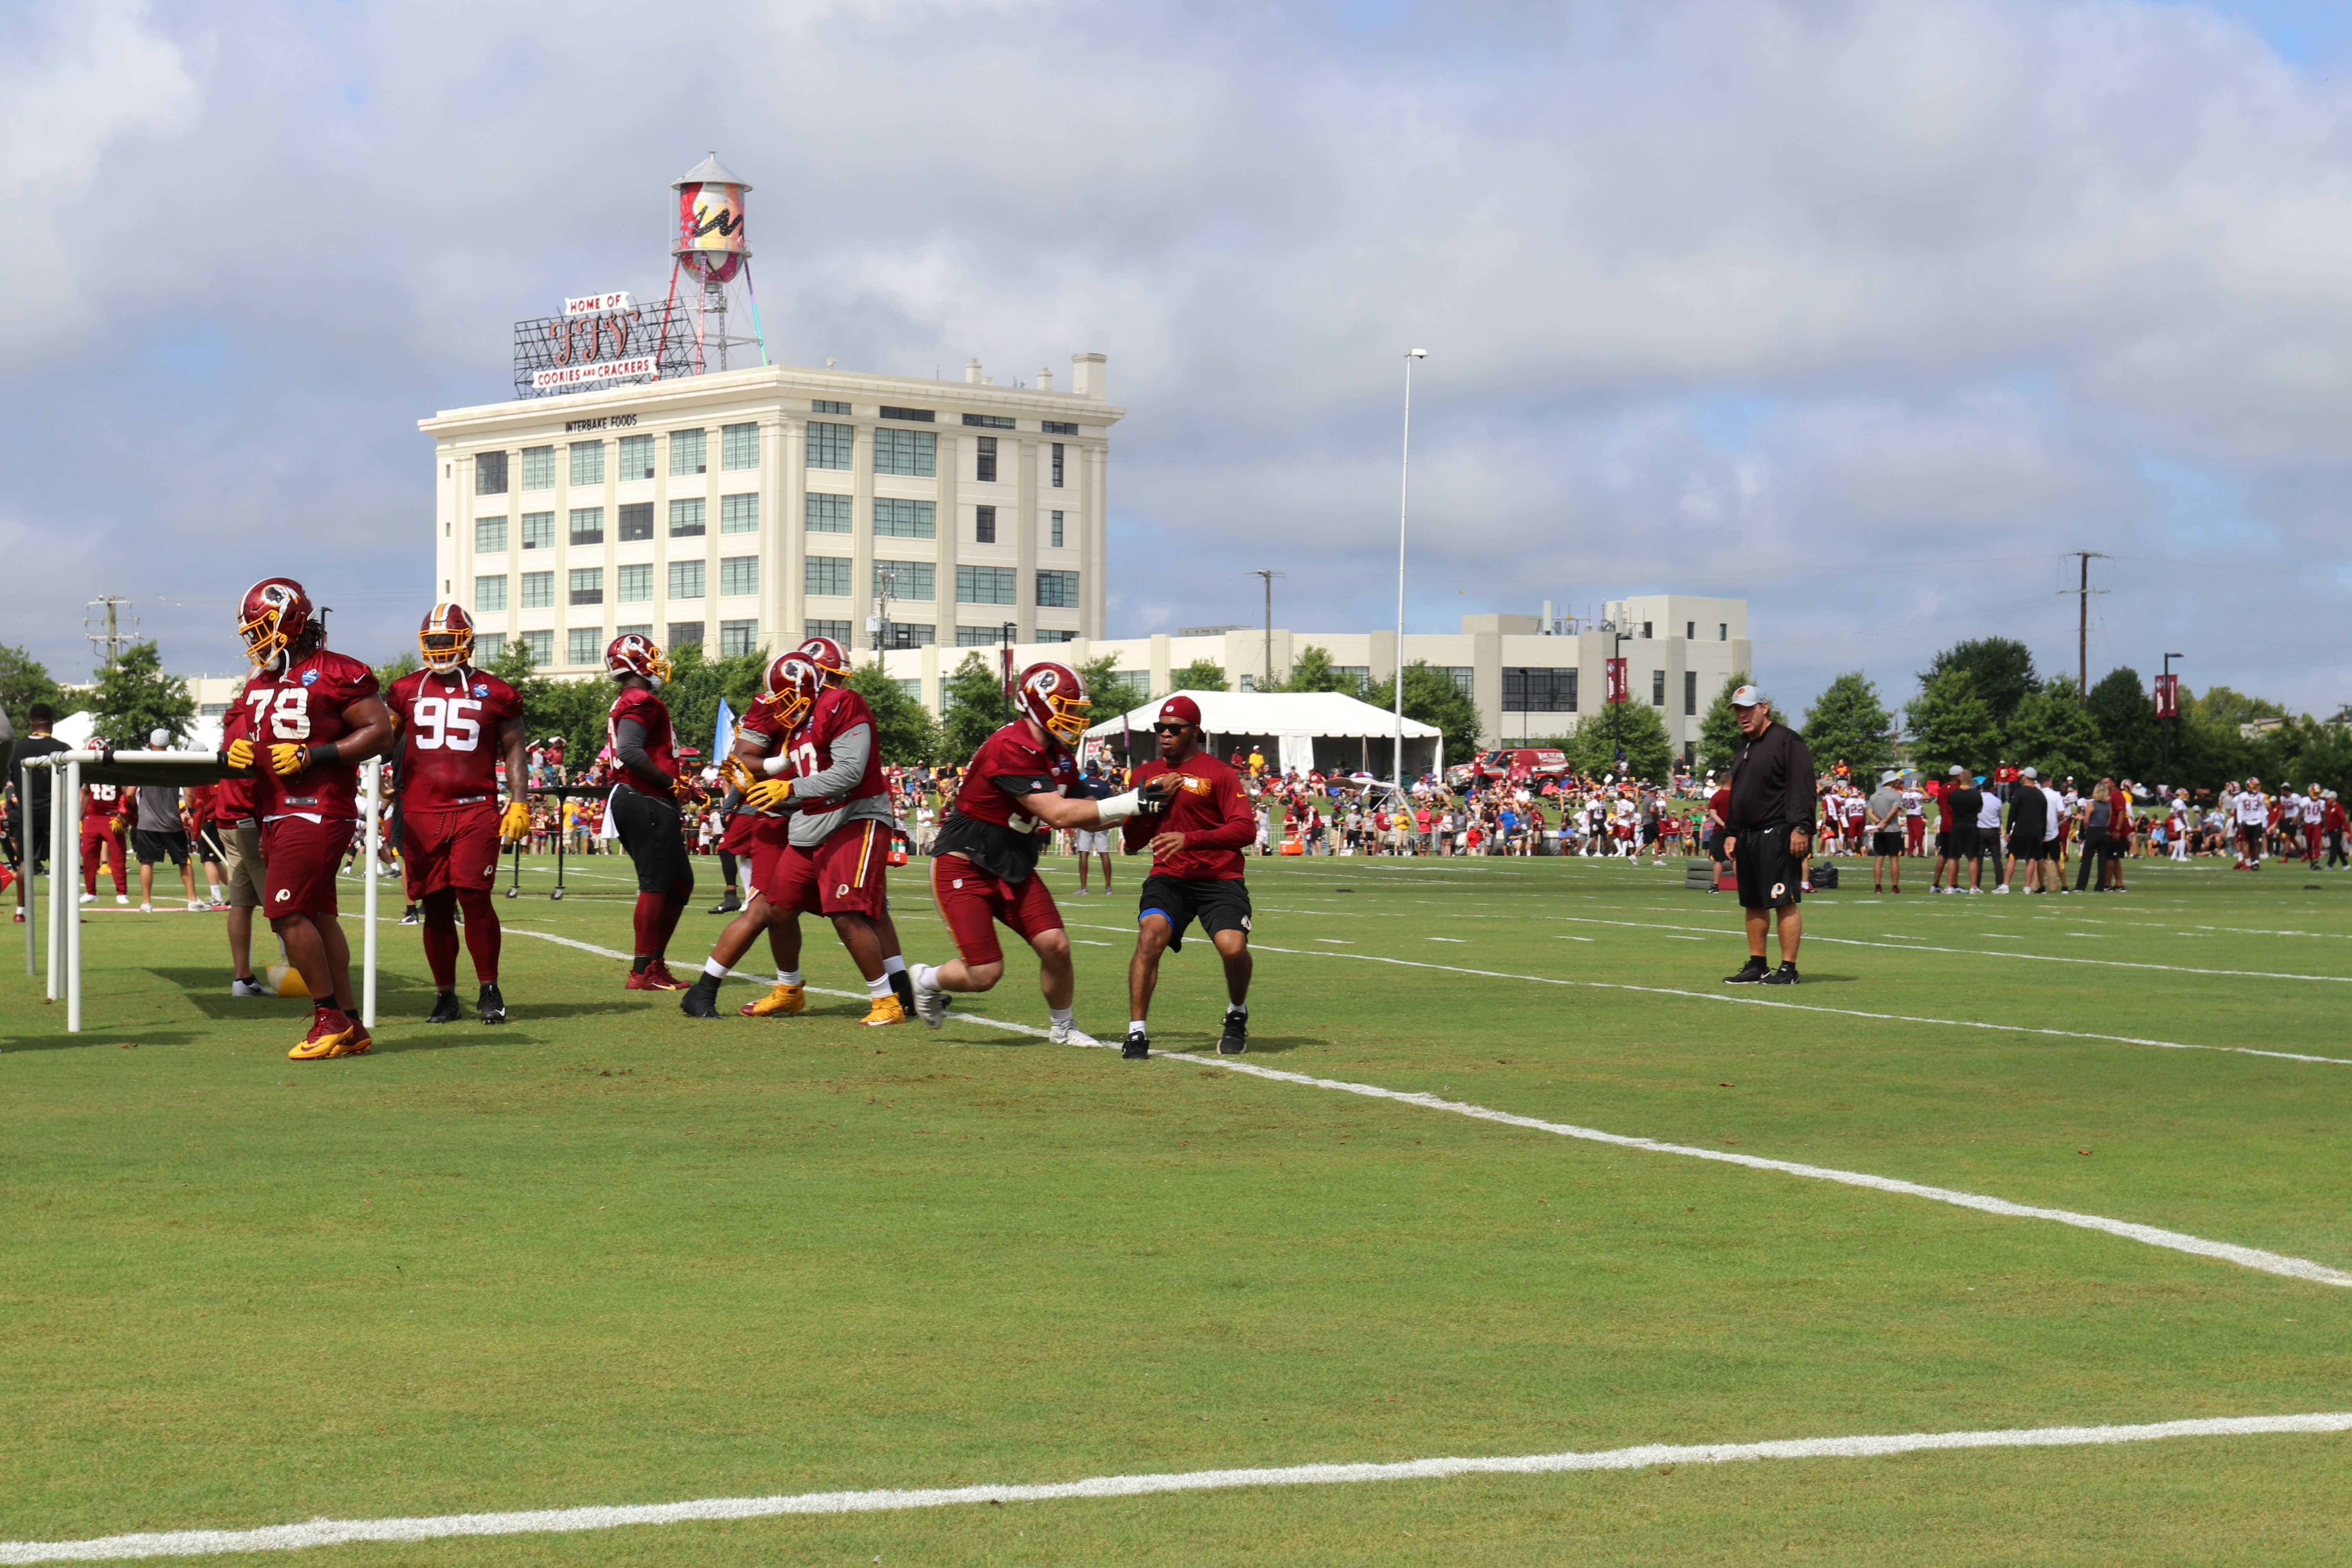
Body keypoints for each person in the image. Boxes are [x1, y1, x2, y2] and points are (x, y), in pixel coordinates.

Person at [909, 662, 1169, 1044]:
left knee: (1056, 945)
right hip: (965, 862)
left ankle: (1063, 1029)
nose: (1076, 716)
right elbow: (1058, 813)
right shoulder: (1011, 745)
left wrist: (1145, 811)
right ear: (1038, 704)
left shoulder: (1058, 754)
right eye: (1068, 706)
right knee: (985, 973)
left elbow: (1088, 814)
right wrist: (1132, 802)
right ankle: (925, 979)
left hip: (1012, 863)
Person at [681, 644, 913, 1025]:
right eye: (831, 676)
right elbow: (746, 761)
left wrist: (788, 786)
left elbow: (850, 771)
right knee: (776, 908)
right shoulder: (795, 719)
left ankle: (892, 997)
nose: (836, 685)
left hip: (847, 814)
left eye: (837, 678)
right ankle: (788, 990)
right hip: (799, 818)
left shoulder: (839, 705)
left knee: (855, 909)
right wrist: (772, 769)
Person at [226, 577, 394, 1058]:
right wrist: (236, 753)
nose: (256, 641)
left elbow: (380, 734)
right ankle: (353, 1023)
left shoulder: (340, 671)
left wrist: (313, 756)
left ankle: (329, 1017)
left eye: (263, 628)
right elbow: (245, 744)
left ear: (293, 621)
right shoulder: (261, 681)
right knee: (319, 917)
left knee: (283, 911)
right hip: (277, 814)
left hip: (318, 811)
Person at [383, 603, 529, 1025]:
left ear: (467, 642)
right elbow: (380, 737)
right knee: (435, 903)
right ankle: (445, 994)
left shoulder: (497, 692)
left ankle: (489, 988)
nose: (442, 647)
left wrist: (520, 799)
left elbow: (515, 750)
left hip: (474, 807)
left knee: (474, 896)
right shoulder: (405, 689)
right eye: (434, 641)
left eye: (448, 640)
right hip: (421, 810)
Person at [1120, 696, 1261, 1058]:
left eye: (1174, 729)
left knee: (1234, 948)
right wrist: (1149, 807)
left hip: (1220, 877)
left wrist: (1190, 839)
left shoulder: (1220, 773)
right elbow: (1134, 842)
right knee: (1150, 935)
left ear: (1194, 732)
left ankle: (1237, 1013)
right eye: (1160, 728)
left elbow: (1246, 830)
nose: (1165, 734)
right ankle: (1137, 1033)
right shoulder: (1145, 774)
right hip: (1169, 878)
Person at [602, 632, 694, 988]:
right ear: (637, 661)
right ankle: (644, 971)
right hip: (645, 798)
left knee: (681, 881)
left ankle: (654, 961)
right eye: (651, 656)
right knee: (656, 883)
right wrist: (670, 784)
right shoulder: (643, 700)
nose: (658, 662)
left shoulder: (630, 699)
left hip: (641, 796)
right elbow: (629, 751)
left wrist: (679, 783)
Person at [1719, 686, 1815, 985]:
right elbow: (1739, 792)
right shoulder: (1744, 745)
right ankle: (1758, 965)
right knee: (1753, 902)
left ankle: (1788, 969)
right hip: (1748, 835)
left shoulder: (1787, 740)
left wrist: (1801, 827)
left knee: (1782, 899)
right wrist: (1732, 831)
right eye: (1737, 710)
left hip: (1777, 832)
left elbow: (1802, 785)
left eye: (1747, 708)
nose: (1742, 715)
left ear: (1765, 707)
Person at [9, 703, 69, 922]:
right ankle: (64, 913)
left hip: (26, 811)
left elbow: (10, 779)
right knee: (60, 862)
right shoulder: (63, 749)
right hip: (54, 811)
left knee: (25, 862)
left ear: (31, 722)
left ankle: (20, 912)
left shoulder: (16, 749)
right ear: (51, 723)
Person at [78, 776, 131, 904]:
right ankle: (91, 892)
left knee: (118, 857)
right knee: (88, 856)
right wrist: (80, 818)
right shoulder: (93, 773)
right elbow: (86, 793)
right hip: (92, 818)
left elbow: (126, 796)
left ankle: (122, 893)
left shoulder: (116, 774)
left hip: (112, 817)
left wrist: (121, 816)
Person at [1998, 766, 2048, 893]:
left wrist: (2009, 831)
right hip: (2036, 831)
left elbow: (2013, 813)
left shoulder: (2019, 792)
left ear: (2025, 777)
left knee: (2013, 856)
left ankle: (2006, 885)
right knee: (2031, 857)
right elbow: (2044, 816)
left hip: (2021, 829)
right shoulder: (2040, 794)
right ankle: (2027, 887)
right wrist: (2043, 834)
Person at [1073, 760, 1118, 894]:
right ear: (1098, 771)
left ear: (1087, 769)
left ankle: (1084, 888)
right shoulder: (1104, 785)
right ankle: (1108, 888)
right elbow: (1111, 803)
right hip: (1101, 821)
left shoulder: (1082, 784)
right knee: (1104, 854)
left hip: (1085, 820)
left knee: (1084, 854)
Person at [1866, 769, 1905, 894]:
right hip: (1893, 830)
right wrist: (1885, 821)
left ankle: (1878, 886)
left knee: (1879, 858)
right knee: (1894, 859)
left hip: (1879, 831)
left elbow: (1869, 812)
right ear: (1892, 782)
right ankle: (1895, 887)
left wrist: (1879, 822)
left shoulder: (1874, 795)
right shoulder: (1896, 795)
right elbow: (1894, 811)